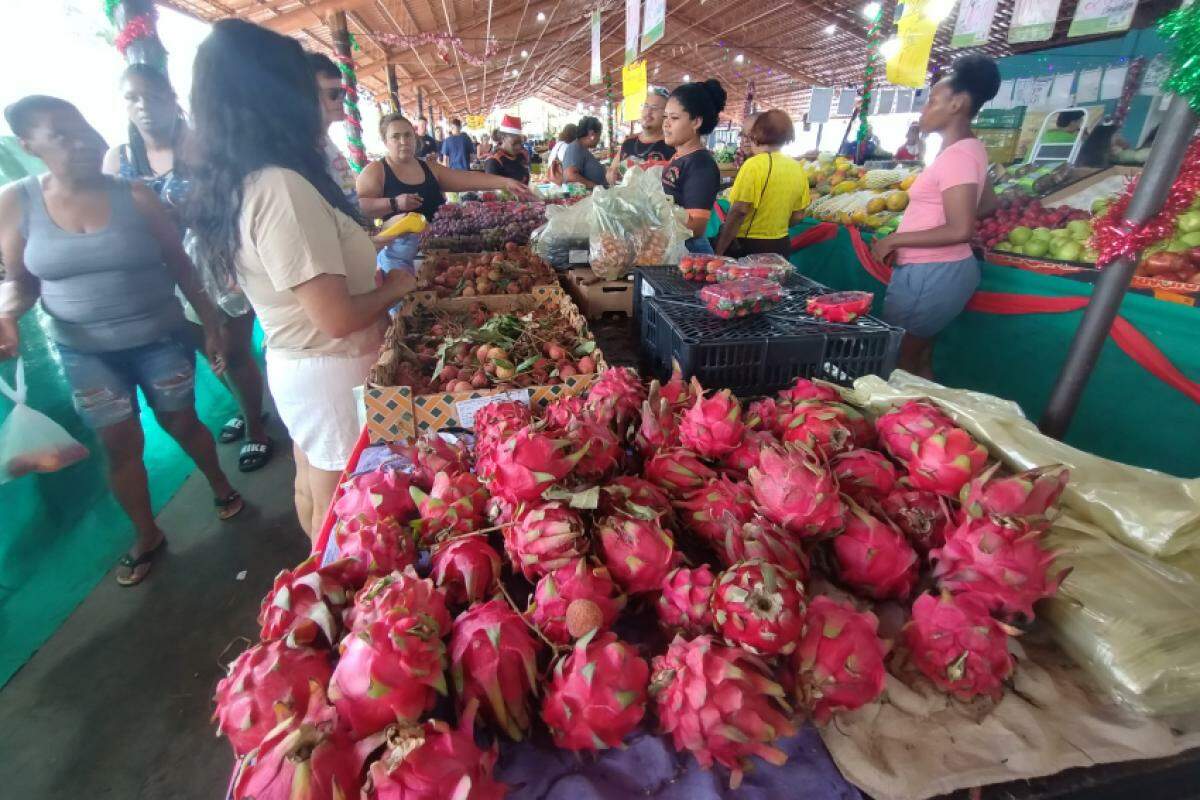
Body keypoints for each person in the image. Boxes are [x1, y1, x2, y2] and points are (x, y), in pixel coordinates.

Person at [188, 19, 420, 539]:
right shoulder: (280, 187)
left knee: (314, 482)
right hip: (331, 369)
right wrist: (397, 287)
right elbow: (335, 317)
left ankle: (316, 583)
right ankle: (327, 598)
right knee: (342, 505)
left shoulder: (246, 177)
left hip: (301, 363)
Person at [0, 95, 244, 585]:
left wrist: (211, 324)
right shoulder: (17, 201)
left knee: (181, 419)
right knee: (119, 443)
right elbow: (21, 281)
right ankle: (147, 532)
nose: (82, 141)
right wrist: (7, 314)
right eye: (60, 135)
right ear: (29, 145)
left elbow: (181, 265)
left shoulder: (135, 196)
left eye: (83, 127)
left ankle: (221, 485)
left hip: (159, 337)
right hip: (85, 352)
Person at [102, 63, 273, 473]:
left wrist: (185, 213)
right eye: (132, 97)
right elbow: (111, 216)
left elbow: (235, 202)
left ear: (172, 98)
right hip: (162, 276)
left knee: (232, 351)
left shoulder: (204, 146)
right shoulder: (119, 158)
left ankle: (256, 427)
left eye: (153, 95)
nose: (144, 106)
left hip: (219, 264)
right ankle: (242, 406)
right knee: (206, 352)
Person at [869, 54, 1001, 379]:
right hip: (938, 271)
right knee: (919, 358)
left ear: (957, 103)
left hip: (931, 274)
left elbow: (960, 228)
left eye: (932, 101)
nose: (924, 110)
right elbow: (987, 204)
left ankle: (903, 425)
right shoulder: (969, 149)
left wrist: (896, 238)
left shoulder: (957, 156)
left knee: (900, 362)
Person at [357, 113, 535, 225]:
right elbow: (357, 207)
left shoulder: (429, 168)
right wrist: (394, 203)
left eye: (407, 135)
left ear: (414, 137)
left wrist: (506, 182)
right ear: (385, 141)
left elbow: (467, 179)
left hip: (437, 246)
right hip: (399, 255)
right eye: (395, 137)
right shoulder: (376, 171)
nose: (403, 141)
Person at [714, 109, 809, 258]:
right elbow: (798, 216)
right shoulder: (797, 168)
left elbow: (739, 211)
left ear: (756, 133)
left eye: (746, 134)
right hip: (781, 246)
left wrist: (719, 249)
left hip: (750, 247)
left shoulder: (754, 165)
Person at [661, 79, 727, 254]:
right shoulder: (680, 157)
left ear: (696, 122)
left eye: (674, 118)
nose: (666, 124)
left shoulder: (701, 165)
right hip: (673, 248)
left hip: (689, 254)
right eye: (665, 117)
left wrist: (653, 214)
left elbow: (696, 226)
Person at [307, 52, 359, 208]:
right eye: (333, 93)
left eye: (341, 92)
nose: (341, 99)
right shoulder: (303, 153)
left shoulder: (327, 144)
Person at [607, 87, 674, 184]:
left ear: (666, 114)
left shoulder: (672, 146)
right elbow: (611, 170)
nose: (648, 112)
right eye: (646, 106)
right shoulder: (628, 142)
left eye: (654, 108)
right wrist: (611, 174)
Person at [561, 116, 607, 188]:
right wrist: (595, 187)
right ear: (592, 134)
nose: (599, 139)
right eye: (599, 135)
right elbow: (570, 176)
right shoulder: (575, 147)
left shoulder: (581, 148)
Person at [484, 115, 531, 184]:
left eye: (521, 143)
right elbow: (492, 190)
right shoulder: (494, 161)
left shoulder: (521, 156)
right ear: (503, 138)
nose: (519, 147)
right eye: (515, 143)